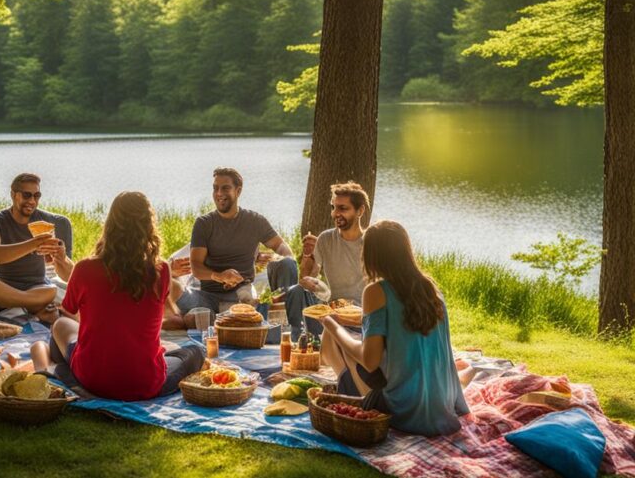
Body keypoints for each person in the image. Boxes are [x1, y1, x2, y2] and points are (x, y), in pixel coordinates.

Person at [30, 191, 205, 400]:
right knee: (195, 352)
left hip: (92, 379)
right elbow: (162, 318)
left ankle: (56, 367)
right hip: (144, 384)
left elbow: (69, 313)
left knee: (59, 326)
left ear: (110, 224)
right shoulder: (161, 271)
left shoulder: (84, 268)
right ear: (149, 227)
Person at [321, 220, 469, 436]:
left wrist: (332, 325)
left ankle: (348, 389)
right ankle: (347, 384)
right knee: (350, 341)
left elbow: (369, 361)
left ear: (372, 255)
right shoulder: (431, 289)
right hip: (441, 405)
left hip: (404, 410)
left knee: (333, 339)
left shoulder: (376, 291)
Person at [177, 167, 298, 326]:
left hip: (242, 296)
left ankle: (243, 319)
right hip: (208, 298)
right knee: (178, 294)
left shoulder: (255, 221)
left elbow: (281, 246)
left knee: (288, 263)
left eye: (225, 188)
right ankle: (230, 319)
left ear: (238, 191)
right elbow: (196, 267)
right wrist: (220, 276)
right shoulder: (204, 224)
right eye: (215, 188)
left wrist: (282, 259)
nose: (219, 193)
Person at [0, 173, 74, 323]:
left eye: (36, 196)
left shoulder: (49, 222)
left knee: (52, 290)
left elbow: (68, 277)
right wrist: (33, 243)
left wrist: (61, 258)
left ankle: (7, 304)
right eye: (26, 195)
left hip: (38, 288)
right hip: (5, 286)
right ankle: (33, 307)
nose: (31, 201)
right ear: (13, 195)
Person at [287, 181, 371, 337]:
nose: (335, 213)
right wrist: (307, 255)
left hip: (361, 314)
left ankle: (321, 338)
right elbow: (307, 279)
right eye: (334, 207)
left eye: (343, 208)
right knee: (296, 291)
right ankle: (300, 341)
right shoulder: (325, 239)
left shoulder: (371, 242)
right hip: (331, 309)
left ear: (360, 211)